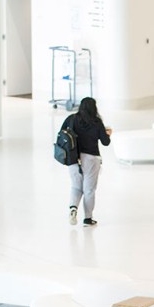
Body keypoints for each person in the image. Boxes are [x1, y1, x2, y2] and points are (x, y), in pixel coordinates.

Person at [59, 96, 112, 227]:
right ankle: (88, 219)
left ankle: (73, 208)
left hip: (72, 158)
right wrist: (108, 133)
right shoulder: (96, 122)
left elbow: (62, 133)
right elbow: (106, 142)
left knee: (76, 187)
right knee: (89, 190)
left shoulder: (71, 119)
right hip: (91, 159)